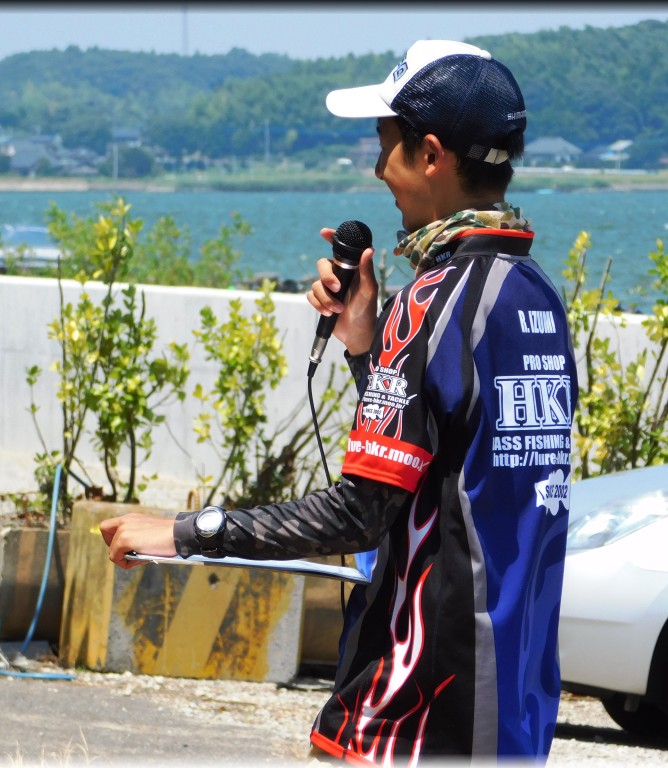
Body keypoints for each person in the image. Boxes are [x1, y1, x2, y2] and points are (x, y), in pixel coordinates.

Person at [101, 39, 578, 764]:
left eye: (385, 146)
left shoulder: (433, 302)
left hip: (413, 711)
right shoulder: (536, 296)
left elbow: (362, 510)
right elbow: (444, 464)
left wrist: (183, 533)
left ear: (430, 155)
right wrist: (365, 345)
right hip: (512, 705)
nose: (378, 169)